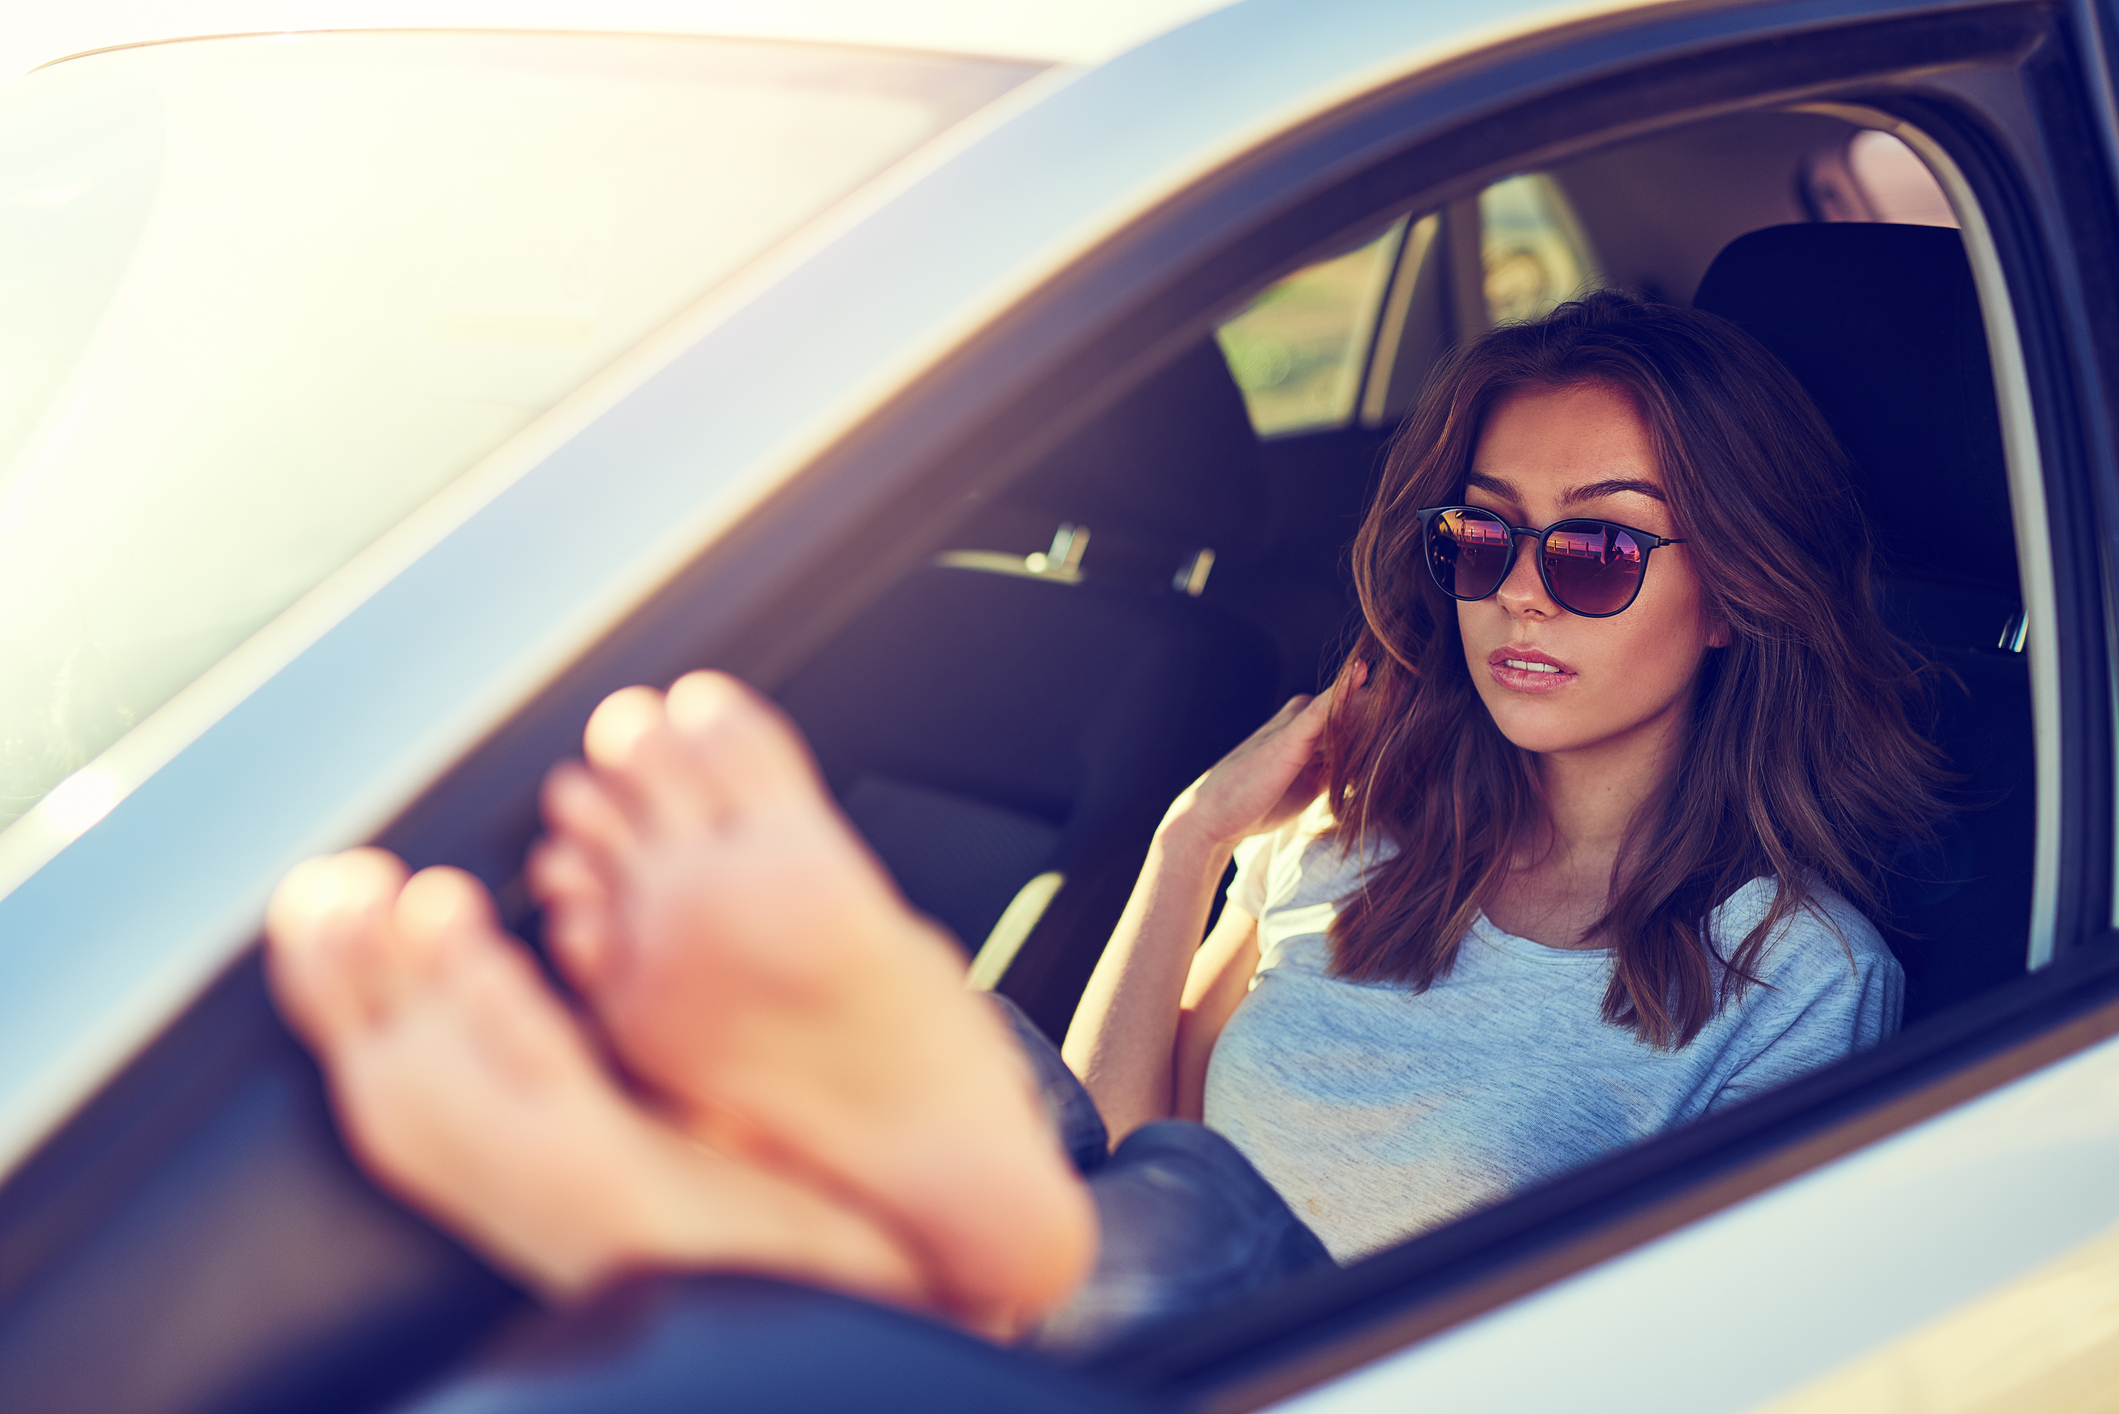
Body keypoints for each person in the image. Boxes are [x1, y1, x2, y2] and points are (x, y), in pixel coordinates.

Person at [263, 291, 1946, 1353]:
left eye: (1591, 552)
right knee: (1051, 1156)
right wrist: (1192, 843)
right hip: (1118, 1328)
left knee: (1010, 1199)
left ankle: (814, 1220)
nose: (1518, 593)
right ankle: (857, 1226)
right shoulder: (1361, 838)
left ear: (1732, 593)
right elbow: (1135, 1132)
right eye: (1482, 538)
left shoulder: (1794, 977)